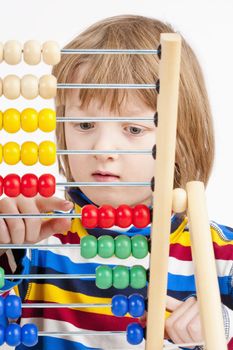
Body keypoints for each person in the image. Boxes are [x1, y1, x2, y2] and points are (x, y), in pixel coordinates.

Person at [0, 14, 232, 350]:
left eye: (134, 130)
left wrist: (220, 326)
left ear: (180, 140)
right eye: (84, 125)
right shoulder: (38, 245)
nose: (103, 149)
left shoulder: (220, 258)